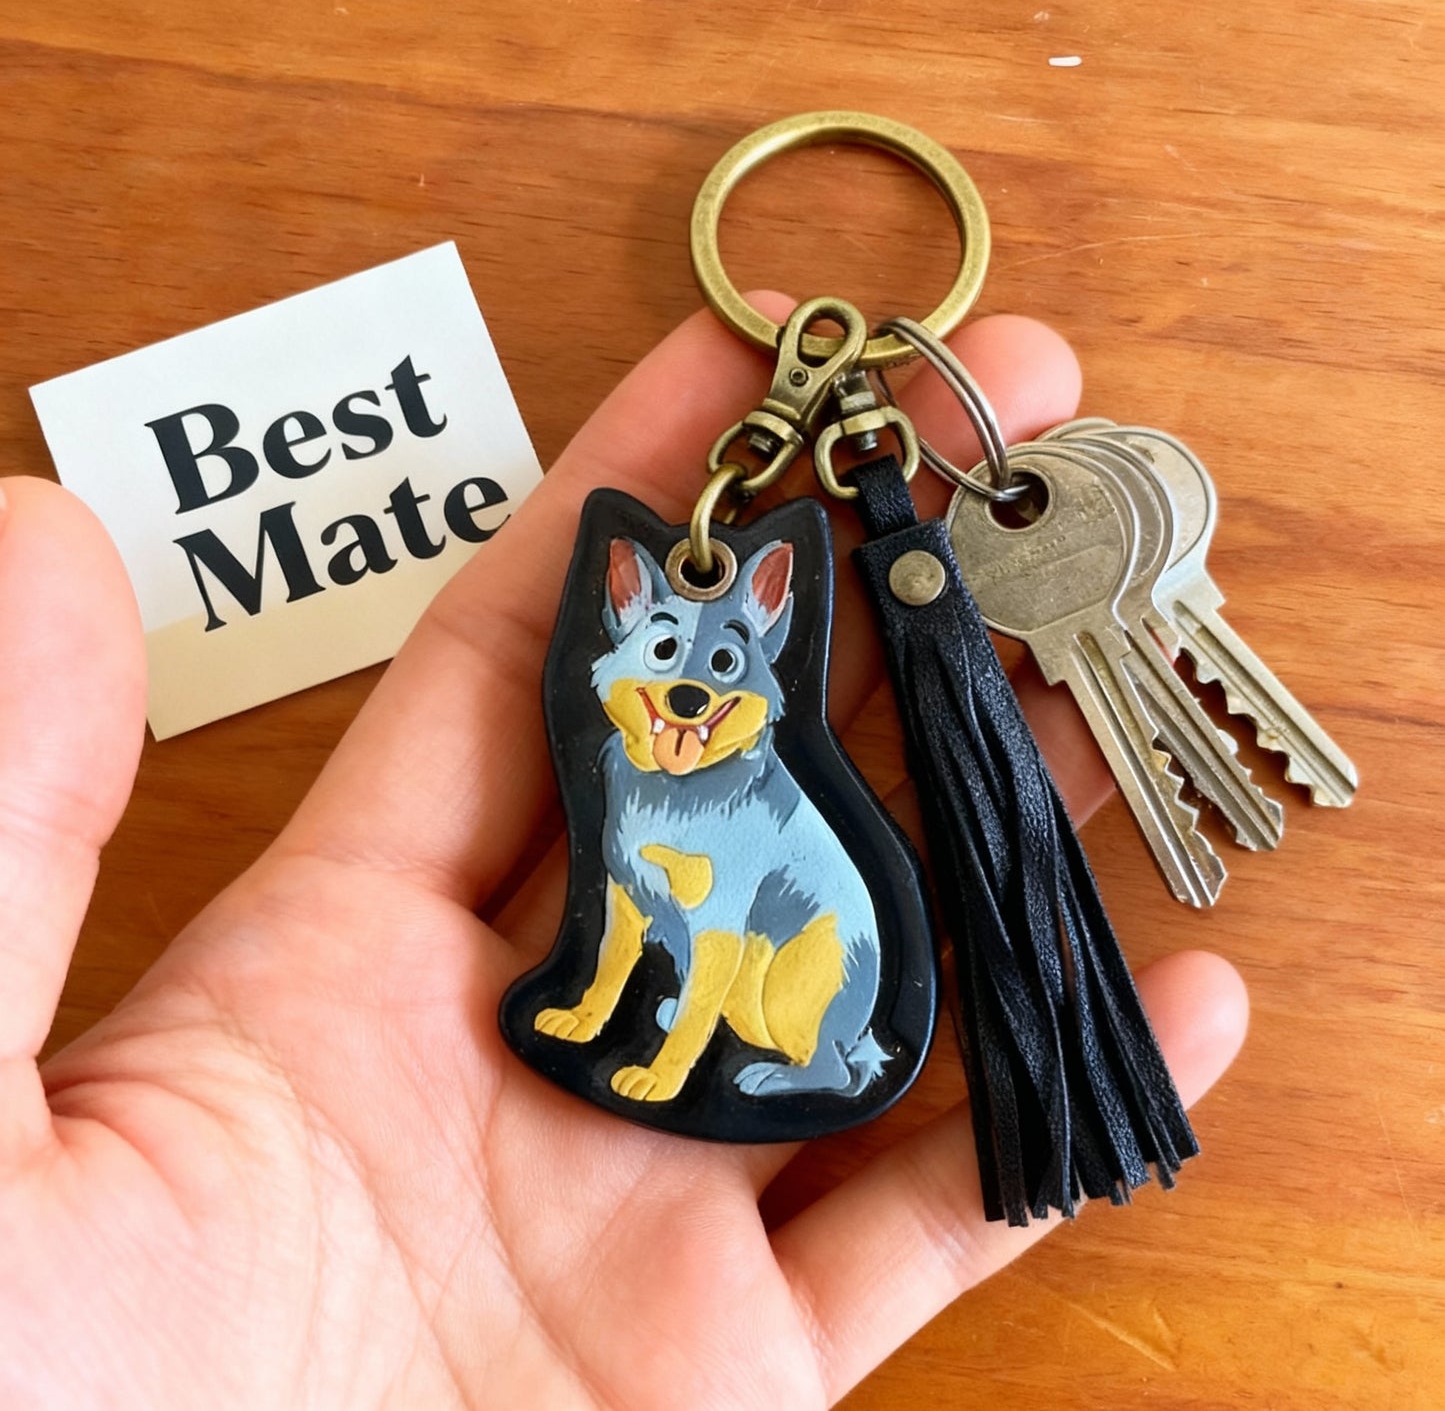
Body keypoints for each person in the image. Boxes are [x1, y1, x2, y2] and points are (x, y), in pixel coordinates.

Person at [0, 296, 1247, 1408]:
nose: (691, 686)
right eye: (662, 654)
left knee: (708, 934)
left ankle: (785, 1055)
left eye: (722, 662)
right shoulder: (631, 775)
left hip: (796, 982)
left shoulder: (739, 779)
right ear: (621, 627)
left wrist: (669, 1059)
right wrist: (593, 1005)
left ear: (764, 648)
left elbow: (718, 939)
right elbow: (629, 908)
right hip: (706, 992)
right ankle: (628, 1019)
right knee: (622, 908)